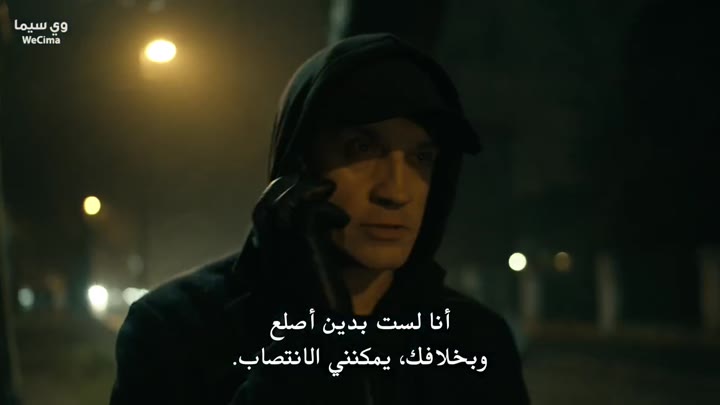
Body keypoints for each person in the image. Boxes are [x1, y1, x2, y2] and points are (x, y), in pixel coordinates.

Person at [109, 33, 531, 405]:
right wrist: (313, 333)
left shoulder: (474, 339)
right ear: (298, 166)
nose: (396, 191)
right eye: (361, 149)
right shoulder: (176, 328)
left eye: (422, 157)